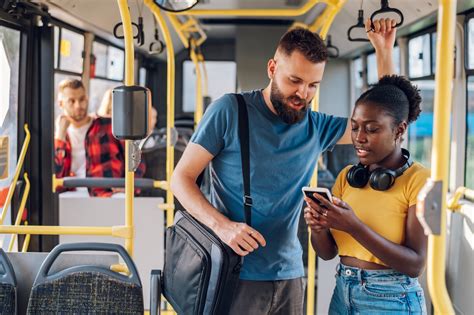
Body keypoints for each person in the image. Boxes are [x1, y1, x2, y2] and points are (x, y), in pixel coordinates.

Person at [171, 19, 397, 314]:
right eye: (294, 81)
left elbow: (384, 118)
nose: (303, 94)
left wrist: (383, 52)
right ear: (272, 69)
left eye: (313, 85)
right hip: (233, 271)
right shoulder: (228, 111)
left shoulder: (317, 127)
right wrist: (222, 227)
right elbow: (181, 179)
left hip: (290, 274)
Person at [303, 75, 429, 314]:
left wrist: (354, 226)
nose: (359, 137)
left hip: (392, 298)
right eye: (354, 127)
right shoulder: (347, 177)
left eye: (371, 129)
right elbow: (327, 253)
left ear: (399, 129)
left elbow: (415, 264)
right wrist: (318, 227)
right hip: (343, 291)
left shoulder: (418, 179)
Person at [54, 79, 145, 197]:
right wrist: (60, 137)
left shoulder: (109, 126)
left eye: (82, 99)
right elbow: (54, 176)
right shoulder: (59, 137)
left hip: (107, 193)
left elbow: (137, 158)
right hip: (71, 195)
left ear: (87, 98)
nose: (78, 105)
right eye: (71, 101)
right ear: (61, 104)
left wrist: (129, 186)